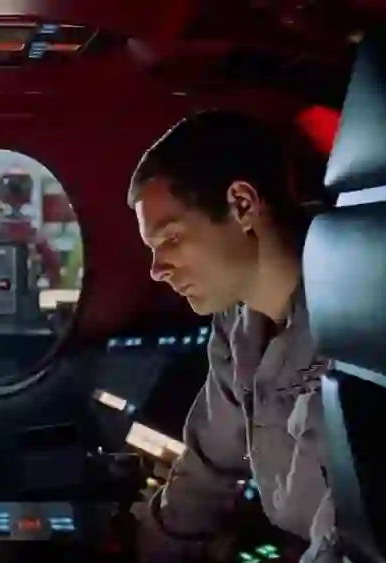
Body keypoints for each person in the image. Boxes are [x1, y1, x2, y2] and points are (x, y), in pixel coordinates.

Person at [127, 110, 339, 563]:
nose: (157, 270)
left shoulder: (355, 317)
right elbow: (208, 467)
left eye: (170, 239)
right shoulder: (237, 323)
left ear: (242, 205)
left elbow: (346, 535)